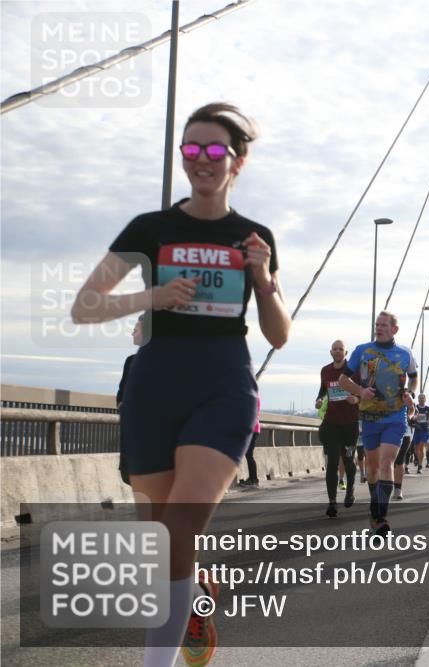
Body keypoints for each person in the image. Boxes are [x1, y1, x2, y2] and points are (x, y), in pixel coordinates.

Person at [71, 102, 291, 667]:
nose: (201, 160)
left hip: (224, 387)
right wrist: (153, 296)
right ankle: (191, 593)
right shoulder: (151, 228)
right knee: (161, 544)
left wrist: (262, 279)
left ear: (237, 162)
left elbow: (279, 335)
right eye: (190, 150)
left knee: (180, 526)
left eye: (214, 150)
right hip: (154, 385)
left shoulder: (254, 236)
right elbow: (86, 305)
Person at [339, 311, 418, 536]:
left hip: (395, 417)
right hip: (369, 418)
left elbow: (413, 377)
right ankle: (376, 508)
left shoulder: (405, 353)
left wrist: (410, 393)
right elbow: (343, 379)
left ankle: (381, 517)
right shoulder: (362, 351)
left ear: (394, 329)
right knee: (372, 467)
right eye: (377, 325)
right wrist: (360, 391)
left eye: (383, 325)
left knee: (386, 463)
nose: (379, 328)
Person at [315, 340, 360, 518]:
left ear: (345, 352)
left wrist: (356, 400)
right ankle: (332, 502)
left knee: (348, 461)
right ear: (331, 352)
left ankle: (350, 490)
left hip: (350, 424)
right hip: (331, 424)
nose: (338, 351)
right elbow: (322, 391)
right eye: (335, 349)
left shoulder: (353, 370)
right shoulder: (325, 370)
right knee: (332, 461)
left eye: (340, 349)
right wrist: (319, 400)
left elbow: (362, 392)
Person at [115, 314, 145, 486]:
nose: (133, 333)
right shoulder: (131, 361)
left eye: (135, 330)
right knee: (129, 475)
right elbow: (121, 393)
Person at [393, 400, 417, 499]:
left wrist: (410, 416)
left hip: (405, 432)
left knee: (399, 460)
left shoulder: (404, 394)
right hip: (387, 431)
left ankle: (398, 489)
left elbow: (412, 408)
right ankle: (386, 485)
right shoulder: (381, 390)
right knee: (388, 461)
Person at [238, 395, 262, 488]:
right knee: (249, 455)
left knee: (249, 455)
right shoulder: (256, 396)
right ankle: (252, 479)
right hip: (255, 428)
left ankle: (254, 480)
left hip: (253, 429)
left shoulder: (253, 397)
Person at [411, 393, 429, 474]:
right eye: (420, 398)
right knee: (416, 448)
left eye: (423, 398)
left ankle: (420, 466)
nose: (421, 399)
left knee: (421, 447)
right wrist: (414, 418)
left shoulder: (428, 408)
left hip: (424, 430)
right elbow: (412, 415)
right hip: (416, 430)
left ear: (425, 399)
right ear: (418, 399)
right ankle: (416, 458)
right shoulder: (415, 407)